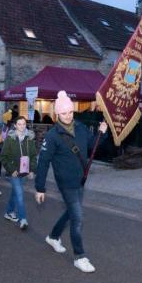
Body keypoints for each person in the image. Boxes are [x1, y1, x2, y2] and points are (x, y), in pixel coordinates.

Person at [35, 90, 107, 273]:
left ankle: (53, 236)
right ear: (57, 114)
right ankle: (80, 257)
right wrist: (40, 188)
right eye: (63, 113)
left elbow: (92, 144)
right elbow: (43, 162)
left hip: (81, 179)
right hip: (65, 182)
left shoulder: (81, 127)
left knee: (70, 212)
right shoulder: (52, 136)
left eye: (70, 112)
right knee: (77, 218)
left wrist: (102, 133)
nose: (67, 116)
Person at [0, 116, 37, 230]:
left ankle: (9, 212)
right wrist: (11, 170)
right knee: (20, 196)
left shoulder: (29, 139)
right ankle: (23, 219)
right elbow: (3, 157)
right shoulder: (10, 139)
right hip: (14, 173)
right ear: (15, 125)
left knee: (15, 193)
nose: (22, 126)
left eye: (24, 124)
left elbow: (33, 156)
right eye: (19, 124)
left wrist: (32, 170)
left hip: (25, 172)